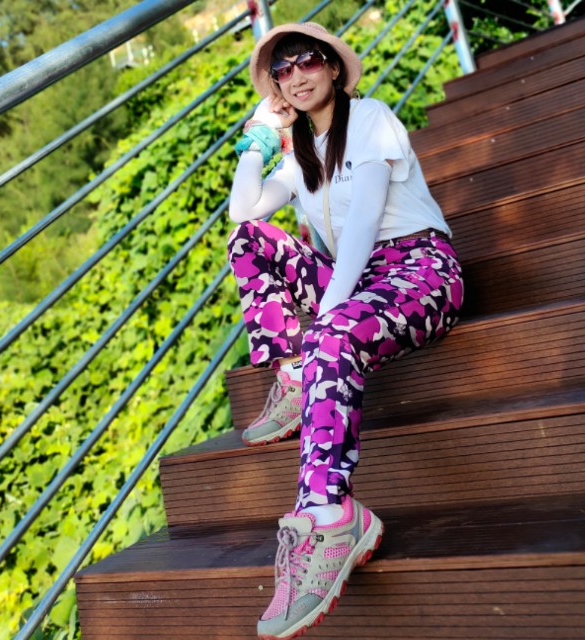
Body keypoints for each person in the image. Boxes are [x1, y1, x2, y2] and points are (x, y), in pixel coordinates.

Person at [228, 22, 464, 640]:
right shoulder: (299, 156)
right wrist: (258, 135)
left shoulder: (372, 119)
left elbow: (362, 224)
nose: (296, 76)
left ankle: (329, 517)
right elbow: (243, 211)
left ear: (333, 67)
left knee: (332, 336)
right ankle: (291, 376)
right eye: (281, 70)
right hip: (358, 287)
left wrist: (326, 323)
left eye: (307, 60)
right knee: (249, 240)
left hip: (419, 271)